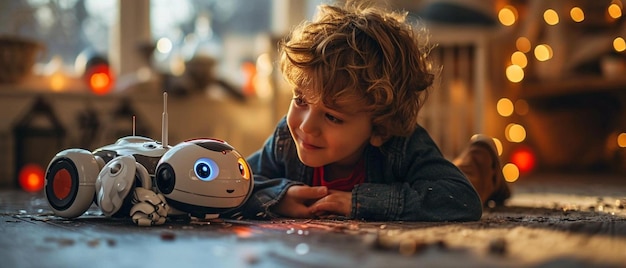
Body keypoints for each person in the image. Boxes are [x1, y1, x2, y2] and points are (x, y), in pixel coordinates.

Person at [234, 2, 509, 222]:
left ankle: (482, 160)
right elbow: (236, 183)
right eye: (301, 101)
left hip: (425, 179)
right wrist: (279, 195)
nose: (306, 126)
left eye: (332, 116)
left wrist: (360, 202)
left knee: (469, 178)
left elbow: (461, 198)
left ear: (380, 128)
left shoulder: (403, 144)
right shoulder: (286, 139)